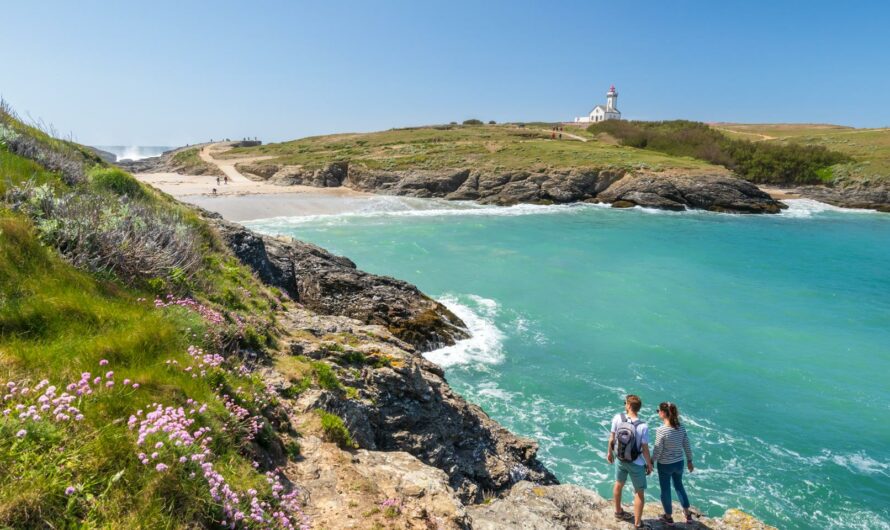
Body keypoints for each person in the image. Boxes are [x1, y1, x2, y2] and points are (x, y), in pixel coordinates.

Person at [607, 395, 653, 529]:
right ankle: (638, 523)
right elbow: (645, 449)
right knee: (639, 492)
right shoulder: (643, 426)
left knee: (618, 484)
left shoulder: (618, 418)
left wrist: (609, 453)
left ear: (628, 406)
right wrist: (649, 464)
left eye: (625, 403)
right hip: (636, 463)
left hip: (620, 458)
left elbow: (612, 438)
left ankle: (618, 512)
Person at [652, 402, 695, 526]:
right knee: (679, 486)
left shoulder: (662, 430)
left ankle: (668, 517)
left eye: (658, 410)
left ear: (664, 413)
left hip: (665, 465)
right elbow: (686, 444)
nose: (658, 412)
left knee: (665, 490)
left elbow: (658, 449)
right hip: (679, 463)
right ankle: (688, 514)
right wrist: (690, 461)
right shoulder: (681, 427)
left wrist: (651, 461)